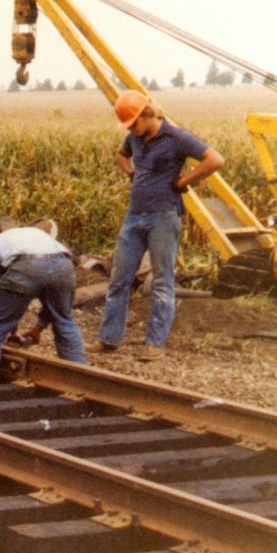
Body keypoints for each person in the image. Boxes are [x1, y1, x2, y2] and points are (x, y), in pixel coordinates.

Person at [98, 91, 225, 361]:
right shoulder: (134, 137)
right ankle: (109, 339)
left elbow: (215, 159)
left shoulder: (177, 137)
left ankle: (154, 343)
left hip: (163, 216)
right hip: (134, 216)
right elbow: (121, 154)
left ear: (147, 114)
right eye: (128, 126)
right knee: (119, 278)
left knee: (161, 280)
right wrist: (131, 172)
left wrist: (184, 182)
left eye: (133, 123)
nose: (131, 130)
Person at [0, 224, 87, 386]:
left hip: (28, 264)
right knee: (64, 320)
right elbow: (50, 295)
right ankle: (81, 385)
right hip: (63, 262)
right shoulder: (39, 236)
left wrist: (8, 314)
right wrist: (38, 326)